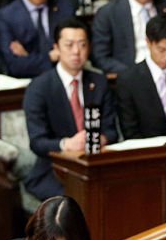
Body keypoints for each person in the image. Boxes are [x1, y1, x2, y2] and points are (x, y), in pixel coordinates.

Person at [22, 19, 117, 200]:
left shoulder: (98, 82)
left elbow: (111, 131)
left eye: (82, 45)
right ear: (56, 48)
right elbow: (37, 142)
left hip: (96, 165)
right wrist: (66, 144)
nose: (76, 51)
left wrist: (99, 139)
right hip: (53, 170)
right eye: (69, 45)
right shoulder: (39, 87)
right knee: (81, 199)